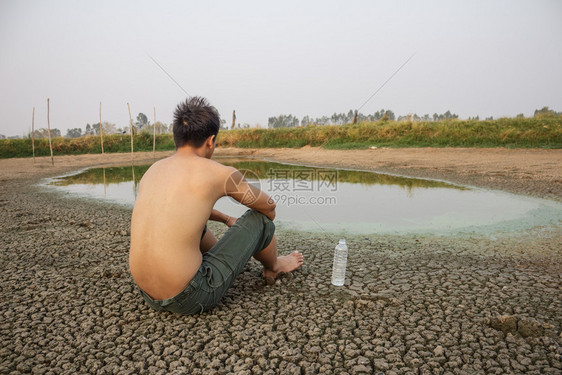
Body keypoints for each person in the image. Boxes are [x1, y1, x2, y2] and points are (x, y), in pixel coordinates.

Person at [129, 96, 303, 315]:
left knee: (187, 223)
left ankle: (223, 259)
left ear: (177, 137)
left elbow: (181, 210)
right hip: (191, 296)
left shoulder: (153, 170)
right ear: (210, 141)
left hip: (148, 294)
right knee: (259, 220)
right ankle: (274, 267)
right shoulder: (218, 172)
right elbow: (268, 207)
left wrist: (226, 218)